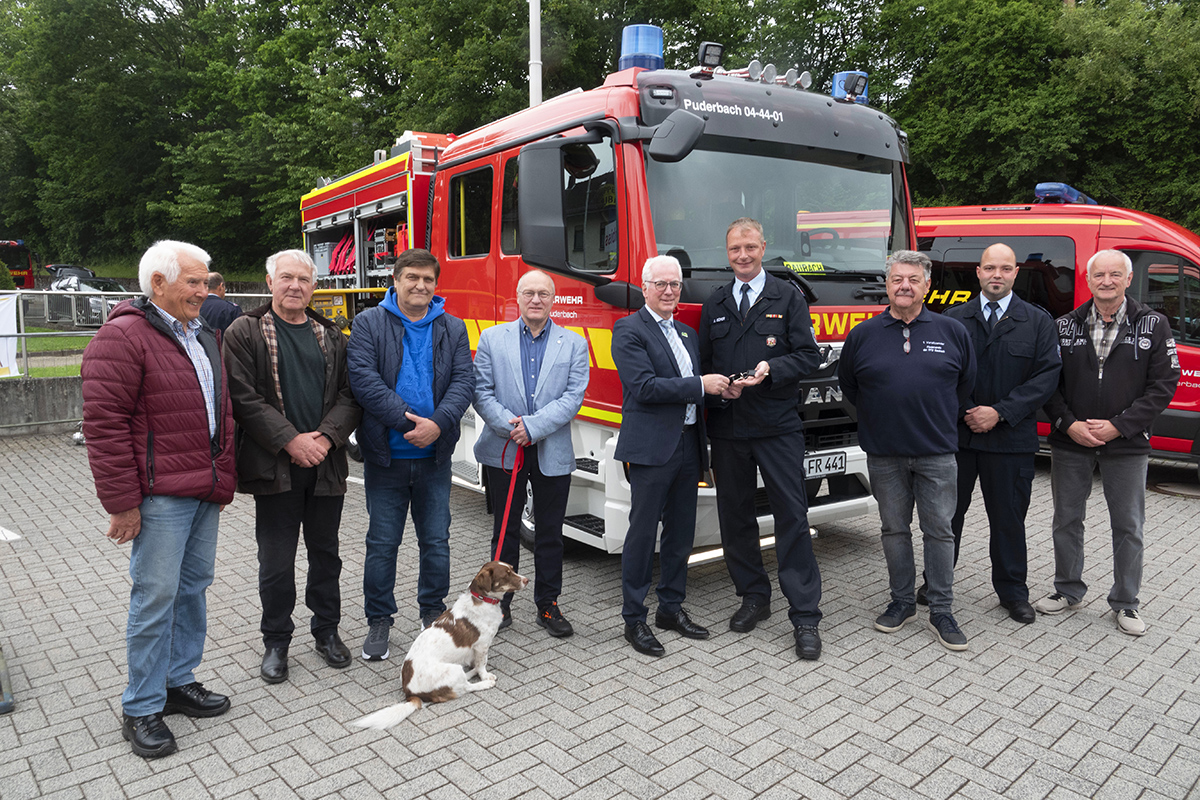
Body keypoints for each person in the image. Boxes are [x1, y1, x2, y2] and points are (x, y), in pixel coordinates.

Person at [81, 240, 236, 758]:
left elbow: (222, 410)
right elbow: (104, 427)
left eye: (206, 280)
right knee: (155, 598)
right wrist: (121, 503)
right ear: (158, 285)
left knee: (192, 588)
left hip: (203, 489)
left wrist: (224, 471)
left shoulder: (203, 334)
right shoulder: (122, 337)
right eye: (192, 282)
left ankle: (177, 681)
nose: (204, 290)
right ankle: (142, 706)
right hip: (159, 497)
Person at [223, 249, 362, 683]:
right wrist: (291, 440)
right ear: (269, 282)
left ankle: (326, 632)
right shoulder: (243, 332)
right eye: (286, 278)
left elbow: (350, 395)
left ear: (314, 287)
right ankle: (276, 641)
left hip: (324, 465)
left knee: (326, 557)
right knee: (276, 562)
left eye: (303, 279)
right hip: (275, 468)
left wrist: (323, 438)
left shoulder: (333, 336)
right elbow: (243, 397)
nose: (294, 286)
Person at [698, 217, 825, 661]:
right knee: (735, 519)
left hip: (776, 426)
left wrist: (773, 370)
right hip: (730, 427)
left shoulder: (787, 296)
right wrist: (719, 385)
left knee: (792, 516)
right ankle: (753, 595)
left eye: (750, 247)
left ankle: (805, 615)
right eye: (735, 249)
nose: (743, 255)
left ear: (763, 246)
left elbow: (808, 354)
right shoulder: (714, 302)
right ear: (727, 252)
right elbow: (705, 364)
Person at [838, 250, 976, 651]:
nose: (905, 286)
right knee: (894, 530)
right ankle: (901, 602)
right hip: (884, 454)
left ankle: (941, 609)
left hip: (936, 453)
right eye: (898, 279)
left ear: (927, 286)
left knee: (939, 531)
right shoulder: (863, 334)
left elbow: (965, 386)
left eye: (914, 279)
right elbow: (850, 387)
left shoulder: (952, 332)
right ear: (887, 284)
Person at [1037, 249, 1179, 636]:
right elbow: (1048, 384)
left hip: (1127, 444)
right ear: (1088, 279)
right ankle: (1067, 590)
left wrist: (1120, 426)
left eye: (1115, 274)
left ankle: (1126, 603)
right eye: (1099, 275)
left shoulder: (1154, 325)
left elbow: (1164, 386)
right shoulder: (1064, 325)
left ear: (1128, 279)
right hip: (1072, 442)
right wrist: (1068, 424)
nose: (1107, 281)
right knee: (1067, 520)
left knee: (1129, 525)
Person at [347, 248, 475, 660]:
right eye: (412, 277)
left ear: (436, 284)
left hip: (434, 458)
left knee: (436, 541)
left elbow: (463, 381)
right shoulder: (368, 323)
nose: (420, 285)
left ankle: (433, 614)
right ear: (396, 280)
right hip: (387, 456)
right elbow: (364, 381)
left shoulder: (452, 328)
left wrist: (436, 425)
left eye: (428, 279)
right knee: (383, 543)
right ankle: (379, 620)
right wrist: (410, 425)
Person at [932, 243, 1060, 625]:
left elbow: (1046, 378)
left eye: (1005, 268)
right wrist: (968, 411)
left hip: (1010, 441)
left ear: (1016, 273)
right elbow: (940, 374)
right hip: (959, 437)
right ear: (978, 272)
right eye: (990, 268)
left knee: (1008, 520)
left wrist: (999, 412)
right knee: (945, 518)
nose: (997, 275)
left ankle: (1013, 593)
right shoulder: (953, 319)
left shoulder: (1037, 322)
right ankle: (935, 584)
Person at [611, 255, 730, 656]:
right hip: (650, 448)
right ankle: (634, 619)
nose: (668, 292)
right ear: (644, 288)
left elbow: (696, 389)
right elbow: (644, 387)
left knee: (681, 533)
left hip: (688, 445)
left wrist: (721, 388)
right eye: (660, 284)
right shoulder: (628, 329)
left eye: (674, 285)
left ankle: (670, 608)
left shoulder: (686, 333)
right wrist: (700, 384)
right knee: (643, 535)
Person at [472, 270, 589, 637]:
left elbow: (573, 397)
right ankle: (499, 607)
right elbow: (481, 391)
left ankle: (548, 605)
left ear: (554, 300)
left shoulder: (574, 343)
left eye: (543, 294)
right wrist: (512, 428)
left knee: (551, 532)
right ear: (517, 297)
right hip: (504, 448)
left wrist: (533, 427)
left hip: (551, 449)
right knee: (504, 531)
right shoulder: (492, 339)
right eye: (529, 293)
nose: (536, 299)